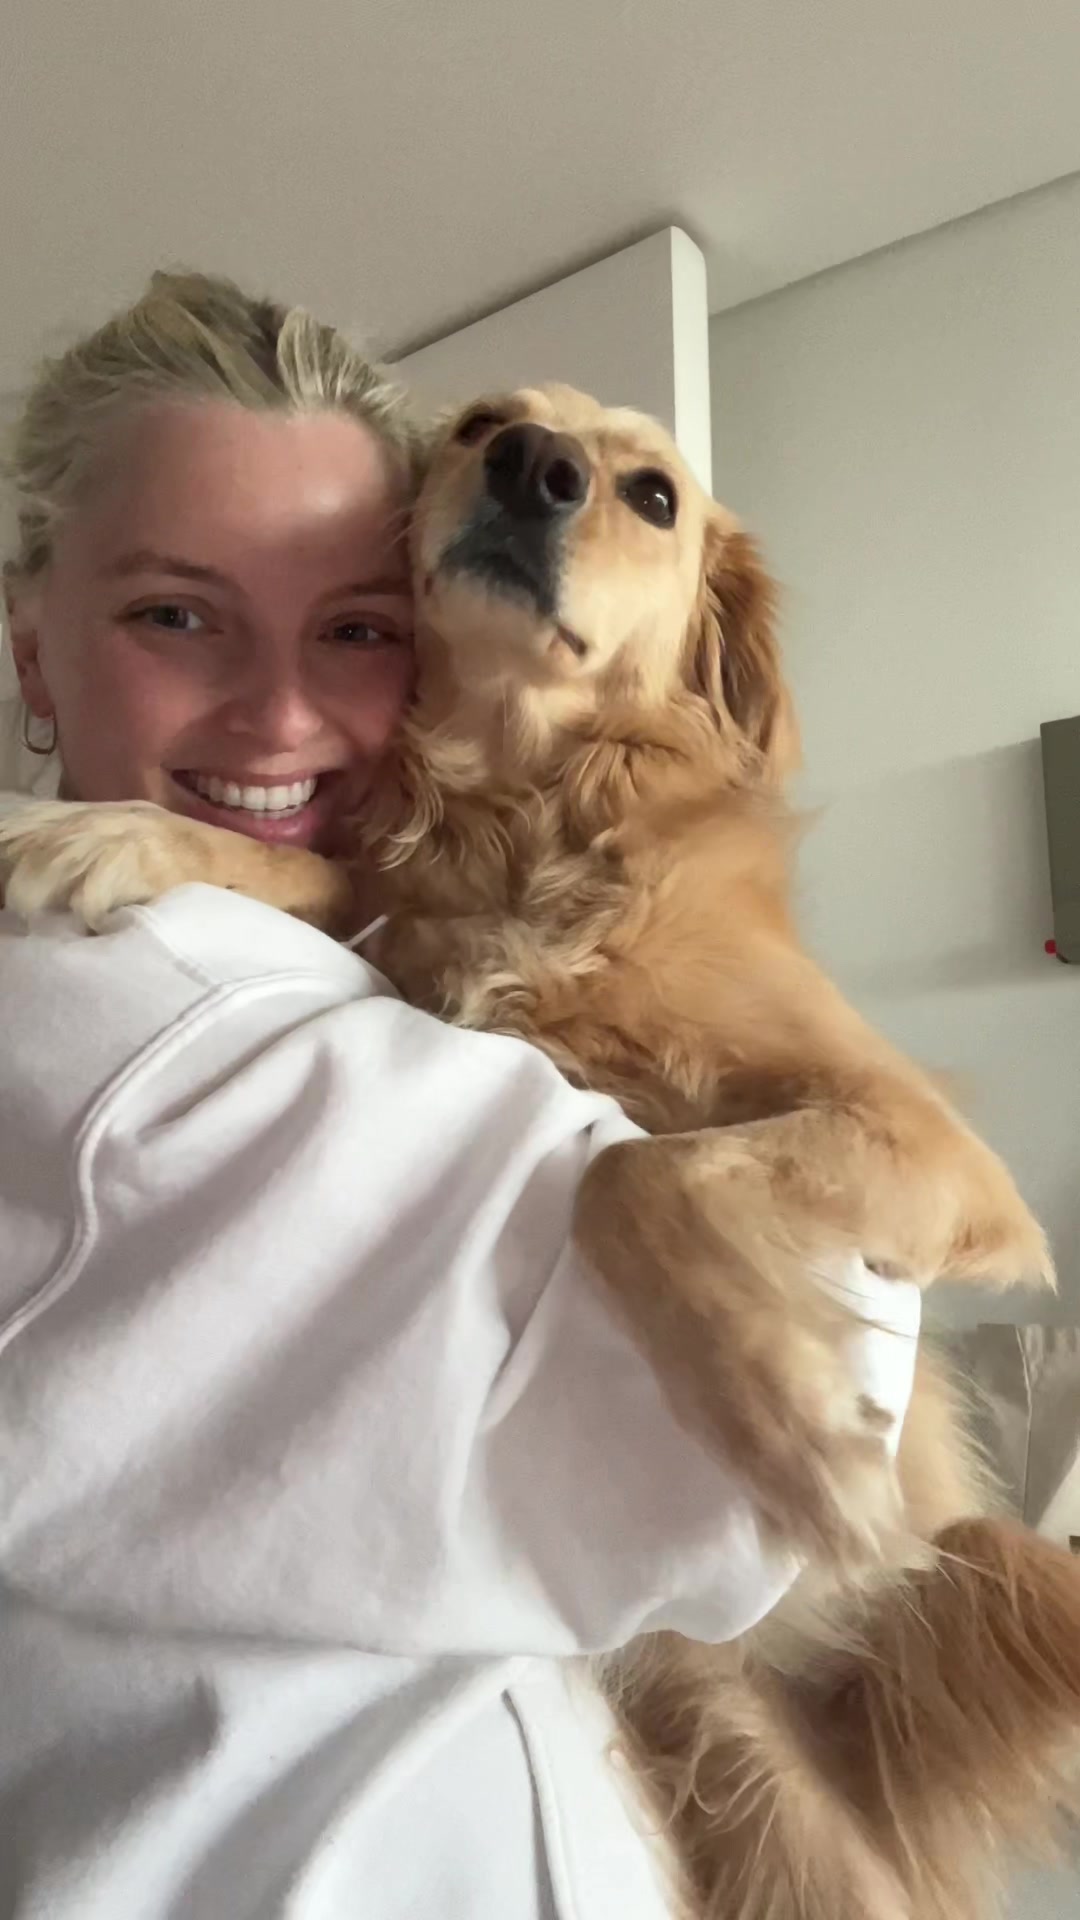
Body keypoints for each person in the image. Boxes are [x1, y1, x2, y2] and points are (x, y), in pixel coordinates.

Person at [0, 272, 920, 1920]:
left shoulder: (311, 940)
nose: (283, 716)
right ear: (30, 648)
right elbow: (739, 1479)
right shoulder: (115, 1020)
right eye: (175, 617)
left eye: (358, 630)